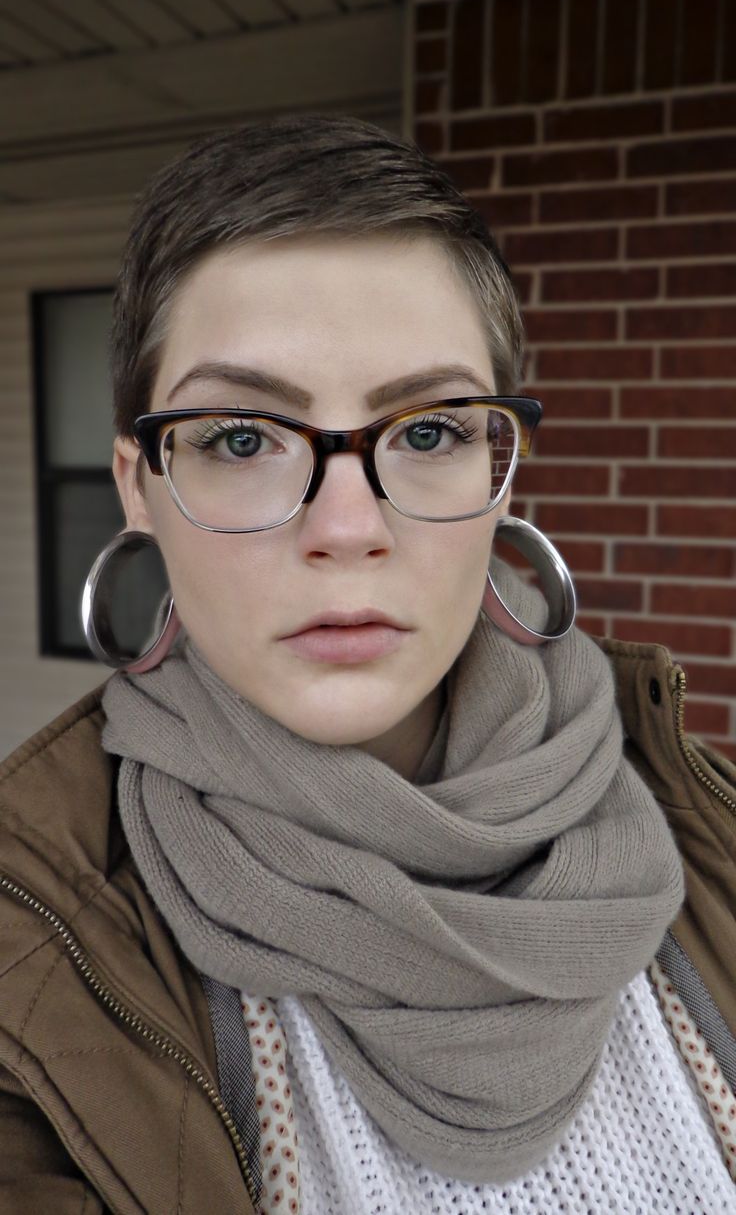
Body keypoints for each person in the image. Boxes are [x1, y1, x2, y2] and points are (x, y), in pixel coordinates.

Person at [0, 114, 734, 1215]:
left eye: (429, 431)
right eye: (242, 438)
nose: (347, 526)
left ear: (502, 470)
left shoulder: (711, 830)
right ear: (139, 485)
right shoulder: (29, 967)